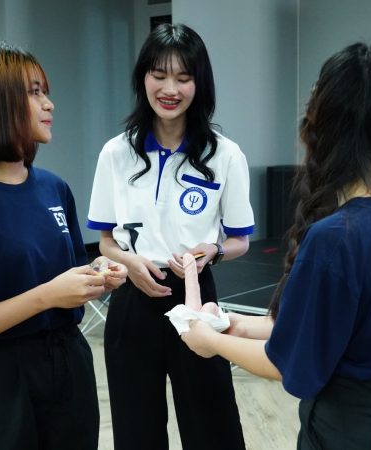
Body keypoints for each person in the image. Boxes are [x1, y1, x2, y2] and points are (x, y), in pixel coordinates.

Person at [181, 43, 371, 450]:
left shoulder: (337, 238)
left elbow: (290, 364)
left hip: (349, 433)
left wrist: (209, 341)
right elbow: (331, 329)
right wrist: (237, 325)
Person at [0, 40, 127, 450]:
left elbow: (67, 278)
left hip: (68, 369)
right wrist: (46, 297)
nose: (49, 104)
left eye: (44, 91)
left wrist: (98, 276)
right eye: (34, 93)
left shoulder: (54, 188)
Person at [86, 23, 253, 450]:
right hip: (133, 297)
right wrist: (129, 262)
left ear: (200, 83)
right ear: (143, 77)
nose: (170, 89)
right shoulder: (116, 153)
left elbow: (240, 240)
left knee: (213, 426)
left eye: (183, 77)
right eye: (159, 75)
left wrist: (214, 250)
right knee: (136, 428)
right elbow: (105, 242)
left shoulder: (225, 154)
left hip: (196, 301)